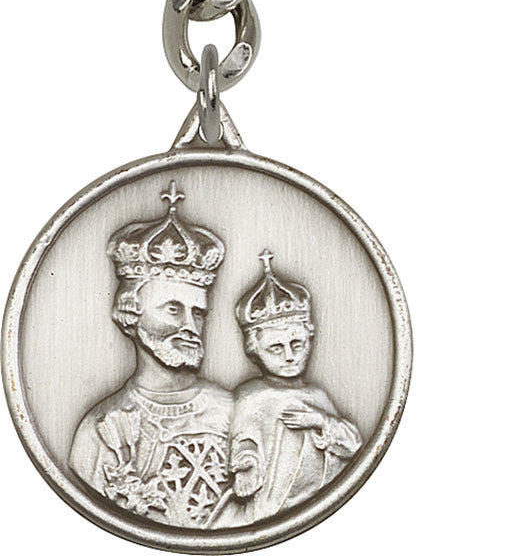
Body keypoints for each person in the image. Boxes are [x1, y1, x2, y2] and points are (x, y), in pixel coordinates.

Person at [69, 181, 232, 529]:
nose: (190, 326)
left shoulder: (233, 411)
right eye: (173, 309)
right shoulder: (99, 427)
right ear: (131, 313)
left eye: (198, 312)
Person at [226, 249, 362, 524]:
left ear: (309, 339)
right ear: (254, 350)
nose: (289, 356)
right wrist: (246, 464)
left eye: (296, 344)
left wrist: (319, 421)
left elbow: (353, 444)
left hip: (325, 503)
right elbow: (242, 438)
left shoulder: (317, 395)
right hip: (272, 502)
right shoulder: (251, 397)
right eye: (276, 348)